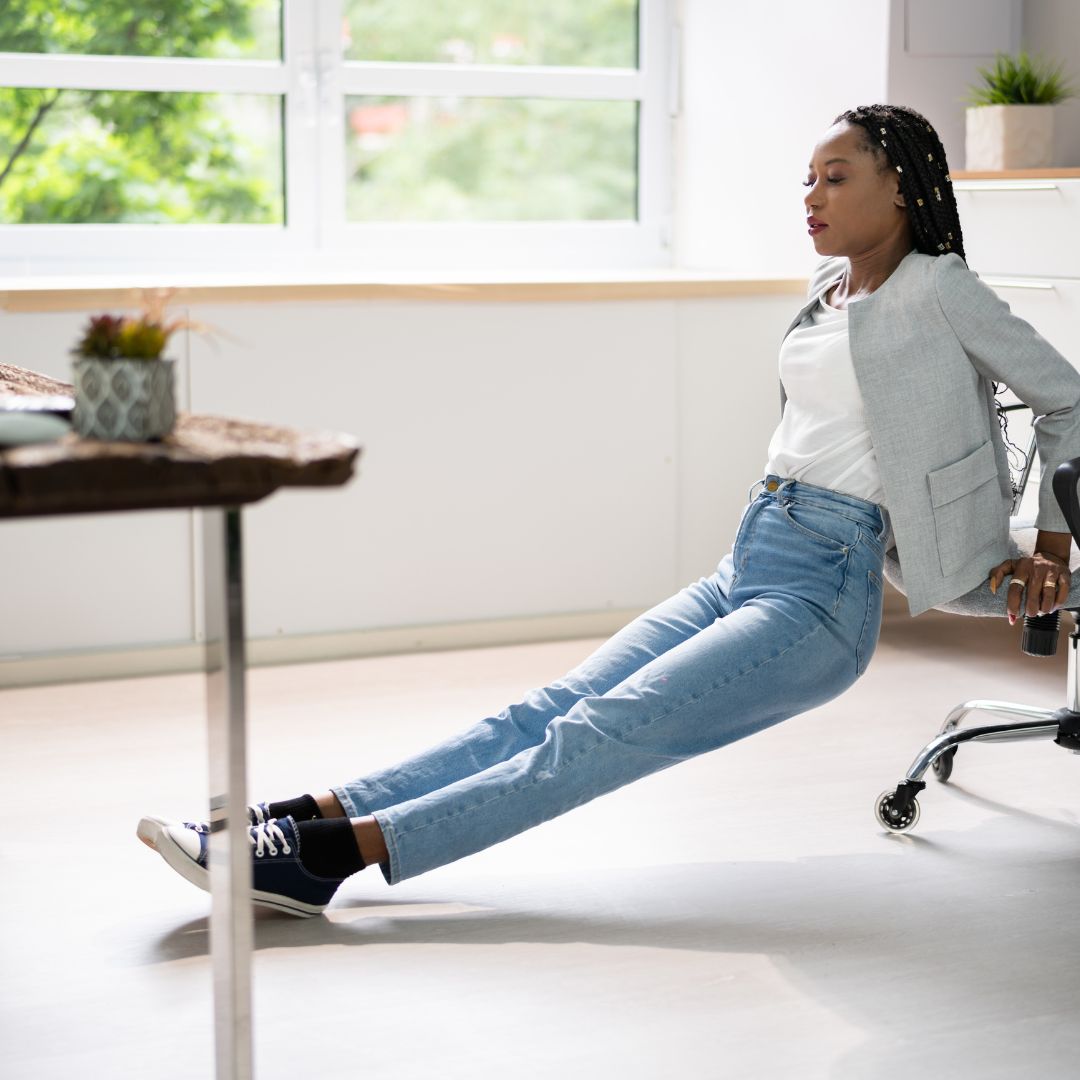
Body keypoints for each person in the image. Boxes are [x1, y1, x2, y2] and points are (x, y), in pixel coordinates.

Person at [138, 102, 1079, 918]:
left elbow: (1066, 399)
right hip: (755, 555)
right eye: (806, 179)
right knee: (547, 708)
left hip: (823, 597)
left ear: (905, 190)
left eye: (837, 178)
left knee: (600, 734)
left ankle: (327, 864)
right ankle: (319, 812)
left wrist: (1047, 544)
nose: (812, 197)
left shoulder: (943, 290)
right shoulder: (831, 289)